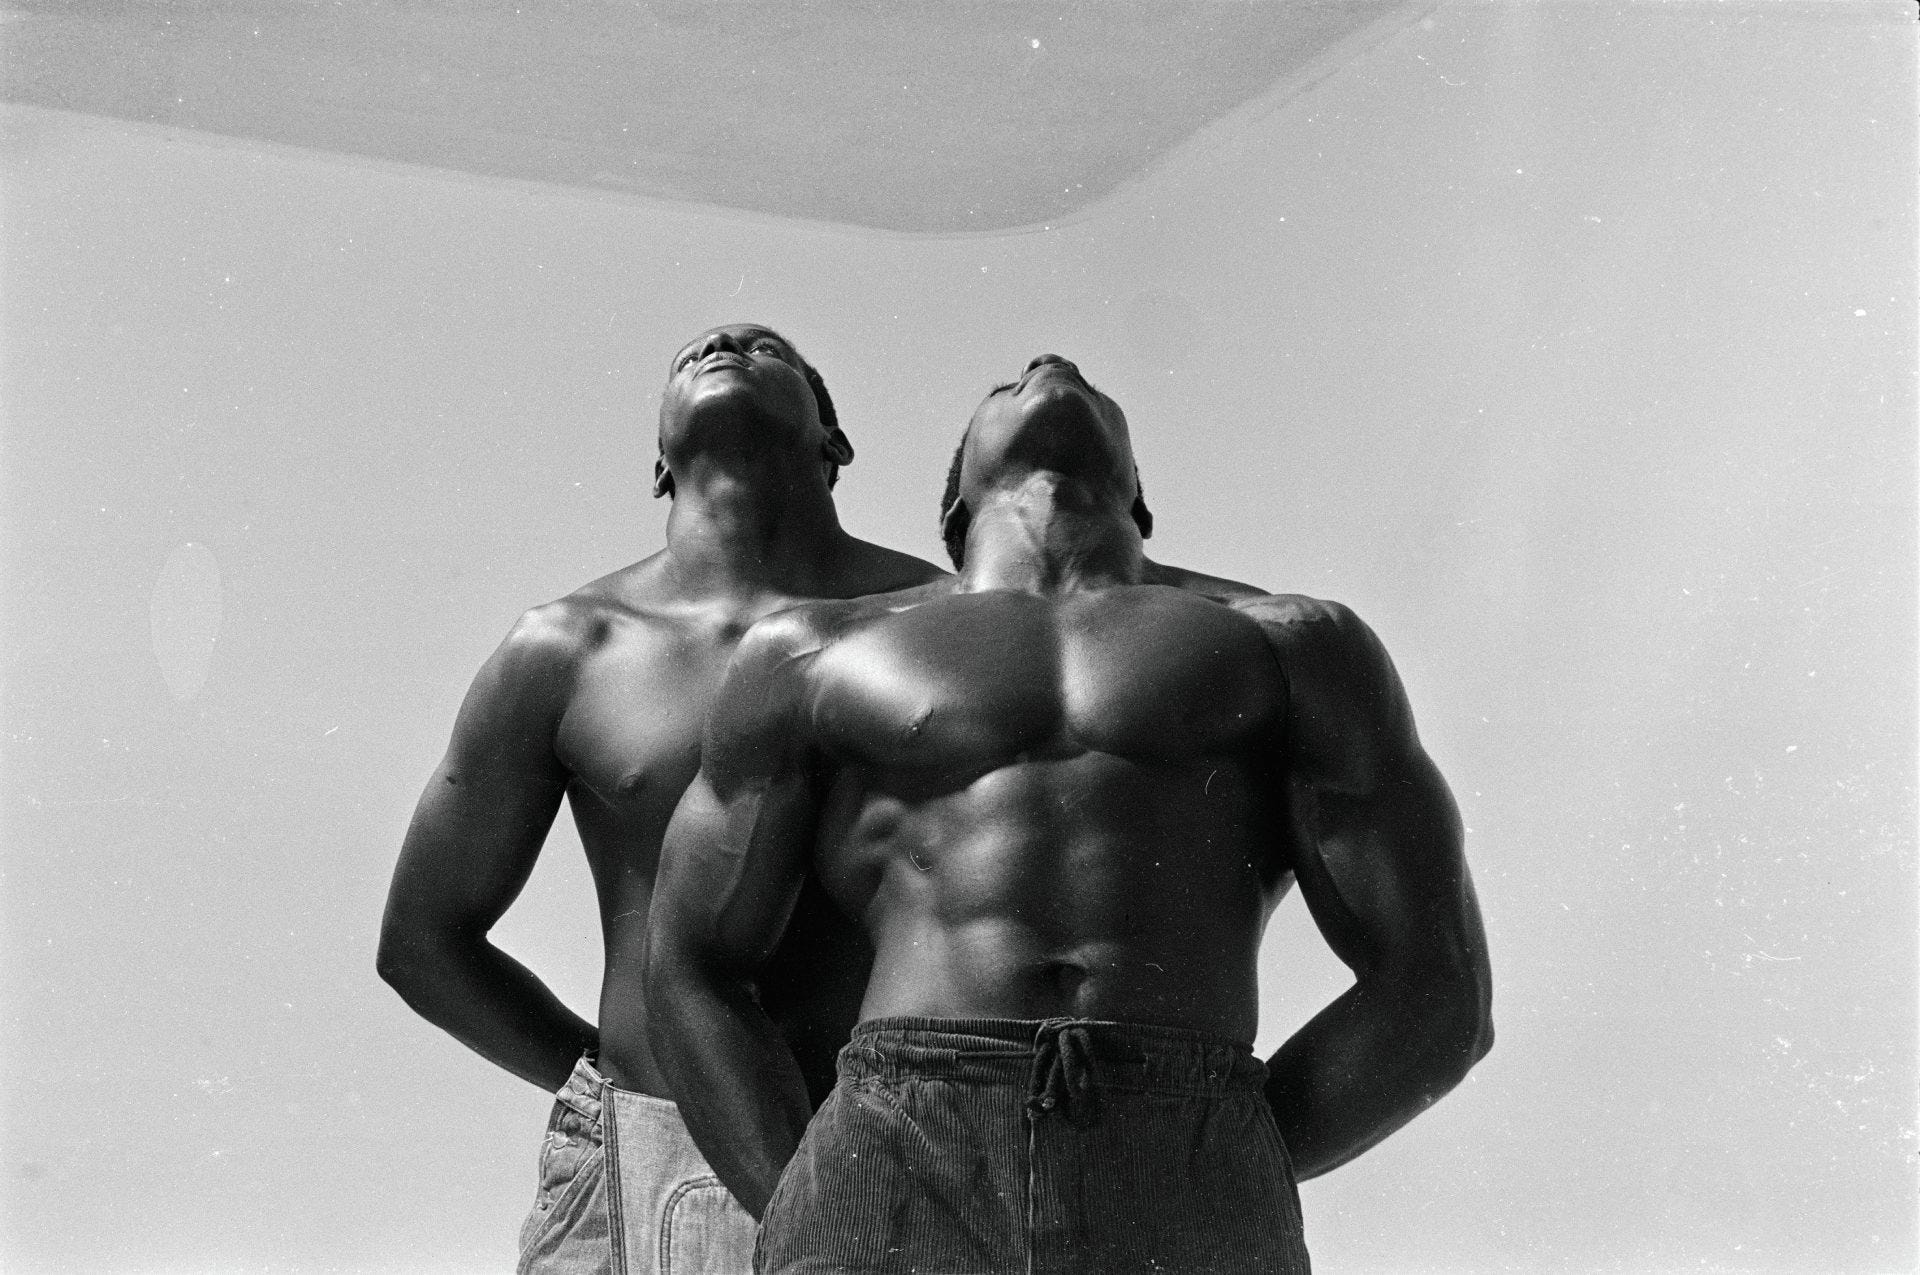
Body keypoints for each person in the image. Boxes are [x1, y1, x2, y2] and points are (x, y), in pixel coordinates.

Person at [647, 353, 1494, 1274]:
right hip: (898, 1132)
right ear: (955, 510)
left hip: (1189, 1127)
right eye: (1002, 384)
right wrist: (808, 1201)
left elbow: (1439, 987)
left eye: (1084, 379)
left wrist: (1225, 1150)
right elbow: (691, 965)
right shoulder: (812, 653)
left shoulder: (1296, 645)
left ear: (1139, 498)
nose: (1052, 365)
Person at [376, 325, 946, 1275]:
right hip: (639, 1153)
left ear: (834, 441)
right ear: (658, 466)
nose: (723, 340)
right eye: (693, 356)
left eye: (769, 348)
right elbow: (422, 940)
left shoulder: (946, 622)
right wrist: (609, 1087)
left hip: (892, 1144)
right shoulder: (568, 648)